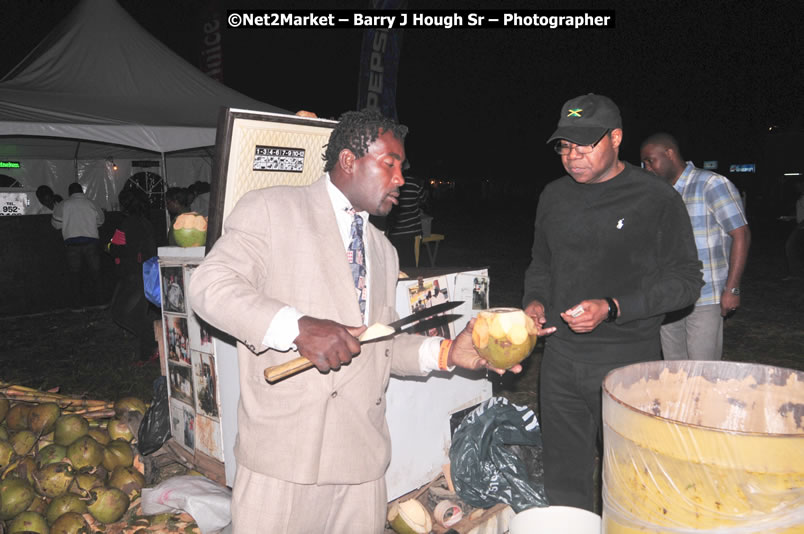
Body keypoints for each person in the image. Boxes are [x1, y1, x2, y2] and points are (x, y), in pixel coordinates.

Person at [188, 109, 517, 533]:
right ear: (348, 161)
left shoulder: (383, 251)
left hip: (361, 462)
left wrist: (448, 352)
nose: (401, 179)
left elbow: (379, 342)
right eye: (390, 164)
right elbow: (210, 287)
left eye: (402, 167)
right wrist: (298, 327)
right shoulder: (271, 209)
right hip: (284, 458)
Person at [522, 94, 703, 512]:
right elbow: (541, 264)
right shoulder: (553, 196)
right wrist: (535, 301)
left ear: (617, 137)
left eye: (585, 144)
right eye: (565, 146)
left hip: (627, 362)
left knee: (629, 474)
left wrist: (613, 306)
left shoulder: (655, 198)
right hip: (561, 361)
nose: (573, 156)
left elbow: (686, 282)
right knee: (564, 473)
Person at [640, 133, 750, 360]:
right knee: (674, 368)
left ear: (669, 153)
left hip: (705, 296)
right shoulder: (658, 193)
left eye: (651, 160)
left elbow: (741, 234)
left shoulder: (711, 184)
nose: (647, 168)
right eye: (644, 163)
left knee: (702, 369)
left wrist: (733, 288)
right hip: (668, 296)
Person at [108, 187, 158, 363]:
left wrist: (109, 246)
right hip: (145, 272)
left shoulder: (127, 223)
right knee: (133, 314)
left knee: (122, 314)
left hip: (133, 275)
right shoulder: (146, 222)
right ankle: (151, 348)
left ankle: (153, 344)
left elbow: (116, 248)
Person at [51, 182, 106, 308]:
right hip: (91, 242)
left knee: (75, 275)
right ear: (82, 191)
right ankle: (100, 302)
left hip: (72, 244)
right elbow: (101, 221)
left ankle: (77, 305)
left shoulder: (63, 204)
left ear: (69, 193)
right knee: (95, 273)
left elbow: (55, 224)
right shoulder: (92, 203)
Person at [387, 175, 427, 267]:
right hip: (412, 232)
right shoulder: (415, 183)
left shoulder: (390, 181)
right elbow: (423, 200)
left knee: (395, 264)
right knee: (410, 264)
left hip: (394, 231)